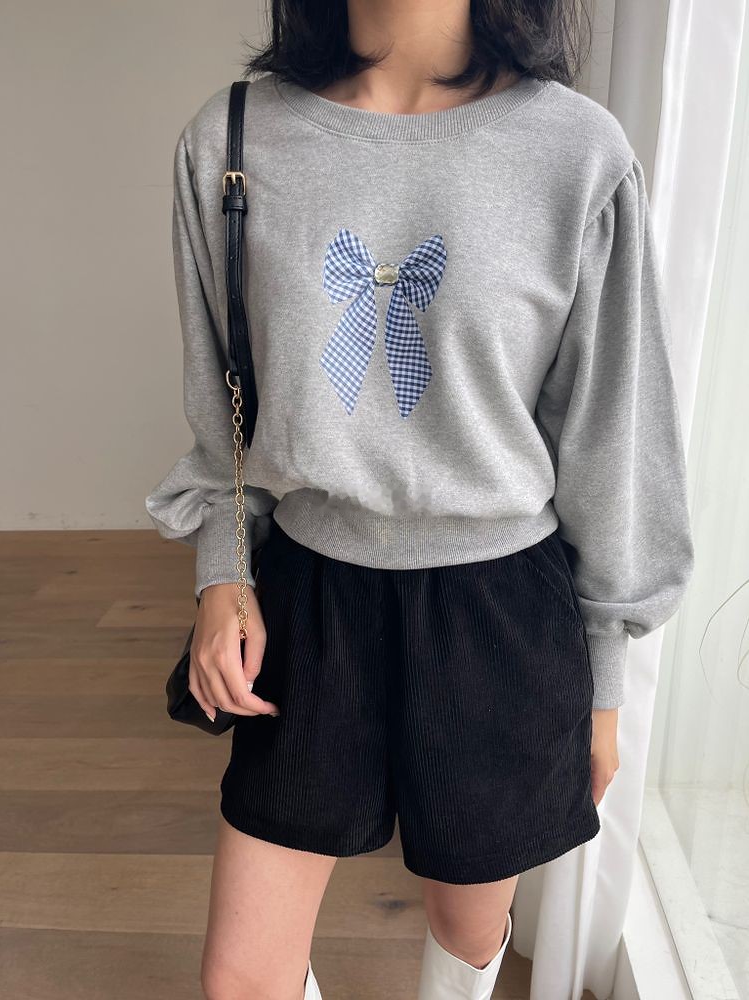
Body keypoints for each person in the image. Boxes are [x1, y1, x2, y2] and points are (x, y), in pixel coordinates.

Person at [145, 1, 695, 997]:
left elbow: (614, 440)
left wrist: (604, 677)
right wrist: (222, 572)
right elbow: (221, 401)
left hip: (499, 609)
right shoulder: (231, 139)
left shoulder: (575, 151)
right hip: (312, 592)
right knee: (241, 977)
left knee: (467, 923)